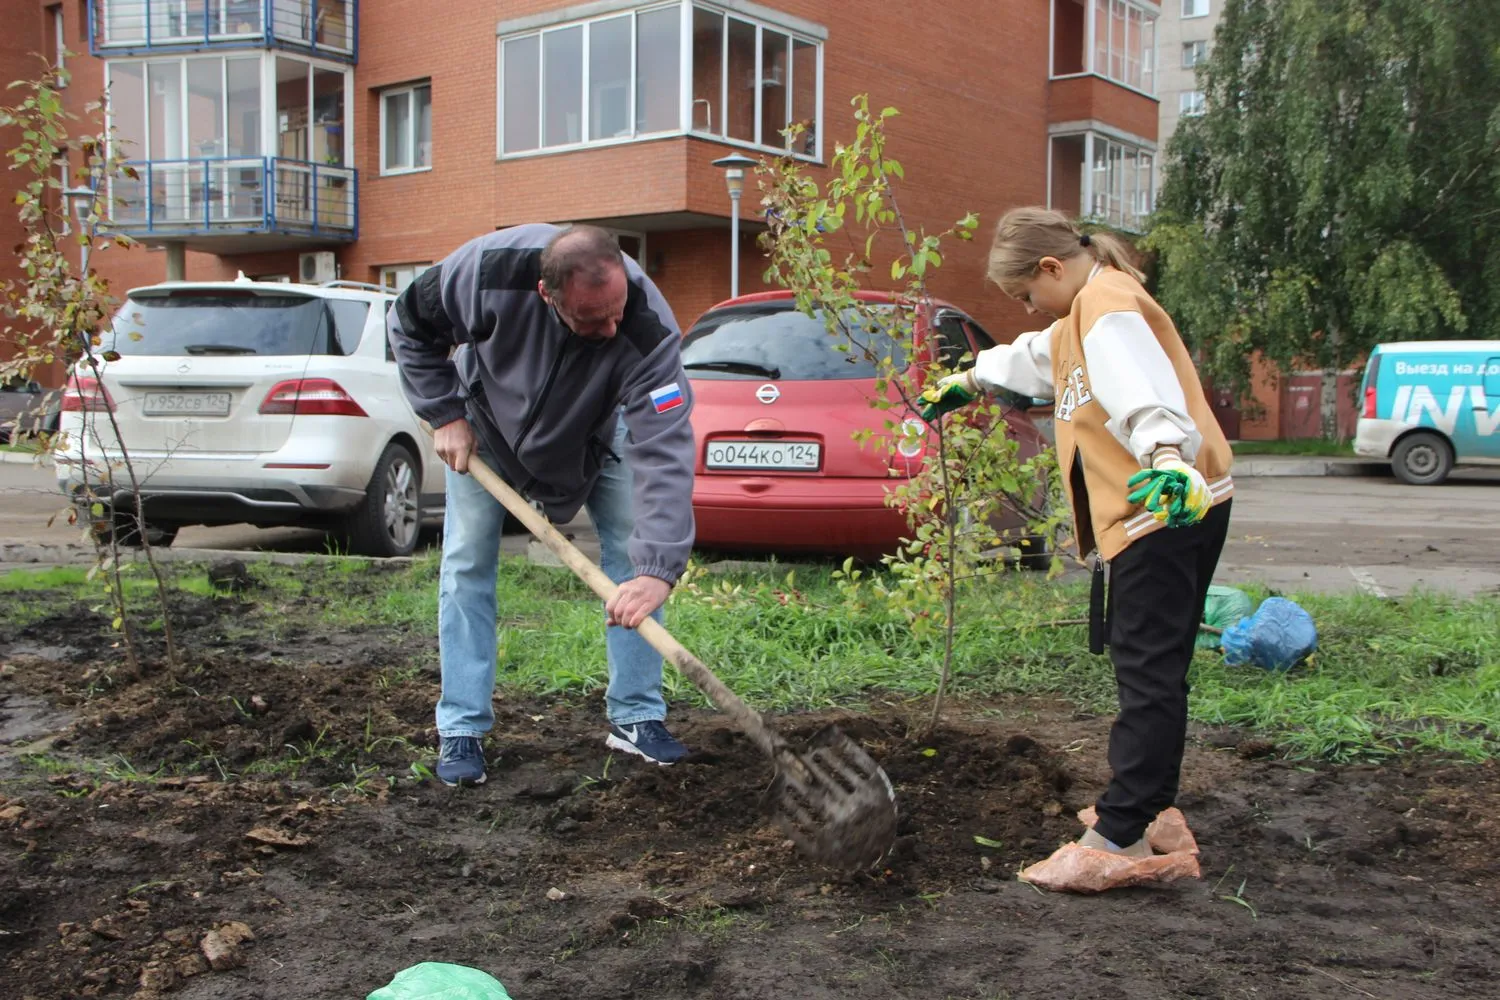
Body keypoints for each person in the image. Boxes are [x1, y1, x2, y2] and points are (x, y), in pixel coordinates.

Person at [920, 207, 1233, 880]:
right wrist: (971, 378)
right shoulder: (1079, 318)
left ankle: (1119, 836)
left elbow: (1139, 389)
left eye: (1027, 296)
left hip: (1161, 502)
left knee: (1146, 670)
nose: (1029, 310)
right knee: (1152, 663)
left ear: (1053, 268)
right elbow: (1036, 357)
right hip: (1164, 506)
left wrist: (1167, 456)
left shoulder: (1107, 306)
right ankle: (1152, 811)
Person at [388, 224, 696, 786]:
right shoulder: (485, 272)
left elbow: (666, 450)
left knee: (635, 561)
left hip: (599, 435)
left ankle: (637, 717)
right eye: (589, 319)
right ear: (545, 294)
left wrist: (659, 570)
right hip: (484, 431)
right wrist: (444, 412)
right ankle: (461, 726)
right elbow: (408, 324)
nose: (608, 330)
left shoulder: (645, 326)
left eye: (614, 313)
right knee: (466, 564)